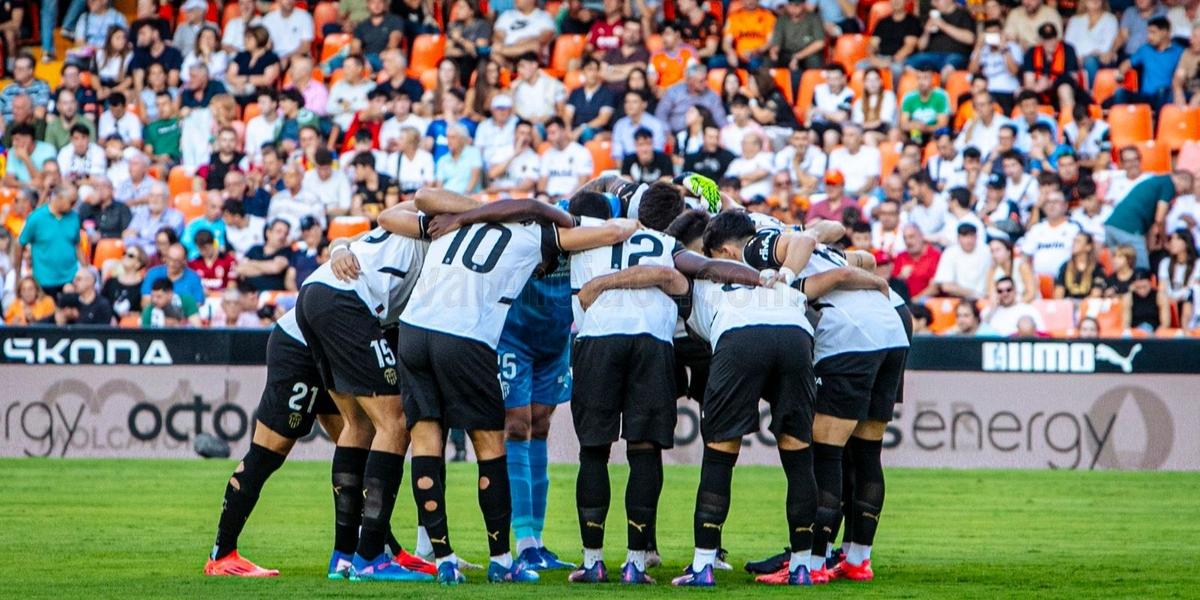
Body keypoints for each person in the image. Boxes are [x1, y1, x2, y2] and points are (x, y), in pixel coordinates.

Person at [394, 189, 644, 584]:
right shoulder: (535, 235)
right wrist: (631, 220)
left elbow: (421, 198)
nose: (544, 271)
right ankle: (502, 560)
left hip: (412, 331)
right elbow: (616, 231)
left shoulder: (452, 225)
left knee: (425, 441)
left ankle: (442, 560)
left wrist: (470, 212)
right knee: (491, 447)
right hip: (466, 335)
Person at [1105, 170, 1193, 270]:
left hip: (1111, 225)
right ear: (1182, 181)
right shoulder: (1168, 185)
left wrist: (1150, 243)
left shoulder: (1156, 181)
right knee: (1141, 268)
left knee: (1120, 268)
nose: (1179, 195)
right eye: (1184, 191)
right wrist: (1164, 241)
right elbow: (1159, 218)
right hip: (1129, 228)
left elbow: (1151, 219)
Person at [15, 185, 82, 298]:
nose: (73, 206)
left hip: (70, 278)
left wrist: (85, 267)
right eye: (71, 202)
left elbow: (77, 244)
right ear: (59, 198)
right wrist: (17, 273)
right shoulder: (37, 217)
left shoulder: (74, 217)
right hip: (44, 281)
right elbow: (20, 243)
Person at [1112, 17, 1182, 110]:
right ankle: (1119, 119)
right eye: (1148, 32)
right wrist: (1120, 74)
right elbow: (1126, 64)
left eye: (1153, 32)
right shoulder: (1145, 49)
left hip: (1166, 96)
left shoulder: (1178, 51)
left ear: (1164, 33)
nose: (1149, 36)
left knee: (1162, 91)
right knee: (1120, 93)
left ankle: (1159, 119)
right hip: (1145, 96)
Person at [907, 0, 976, 75]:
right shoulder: (932, 16)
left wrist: (942, 25)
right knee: (907, 65)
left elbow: (970, 39)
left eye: (936, 1)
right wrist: (926, 32)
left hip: (955, 55)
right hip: (931, 55)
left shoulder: (964, 14)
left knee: (948, 69)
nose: (933, 4)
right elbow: (921, 47)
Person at [655, 63, 727, 133]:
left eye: (706, 79)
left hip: (702, 135)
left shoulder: (713, 97)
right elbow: (660, 114)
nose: (705, 83)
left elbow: (720, 119)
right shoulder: (674, 92)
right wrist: (667, 133)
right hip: (674, 133)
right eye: (701, 81)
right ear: (690, 80)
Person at [929, 223, 992, 300]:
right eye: (964, 236)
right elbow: (946, 286)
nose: (968, 240)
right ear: (958, 238)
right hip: (959, 299)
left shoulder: (987, 251)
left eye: (971, 236)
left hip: (986, 298)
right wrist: (975, 294)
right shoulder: (950, 253)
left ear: (976, 237)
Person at [1066, 0, 1121, 85]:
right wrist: (1076, 58)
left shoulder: (1110, 19)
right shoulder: (1075, 20)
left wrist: (1086, 57)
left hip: (1100, 60)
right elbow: (1068, 43)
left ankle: (1092, 92)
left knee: (1090, 61)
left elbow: (1107, 46)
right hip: (1075, 59)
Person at [540, 117, 594, 200]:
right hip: (549, 199)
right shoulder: (547, 154)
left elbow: (583, 182)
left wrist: (567, 197)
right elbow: (542, 183)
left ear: (563, 131)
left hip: (572, 199)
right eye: (548, 133)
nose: (549, 137)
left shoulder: (581, 152)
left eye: (553, 133)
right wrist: (544, 195)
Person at [566, 57, 616, 141]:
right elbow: (568, 115)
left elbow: (603, 119)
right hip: (575, 129)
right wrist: (567, 129)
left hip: (595, 130)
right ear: (583, 72)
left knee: (586, 133)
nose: (593, 73)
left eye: (596, 70)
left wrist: (582, 128)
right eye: (590, 70)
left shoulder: (607, 93)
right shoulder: (575, 93)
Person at [240, 219, 294, 292]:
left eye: (286, 233)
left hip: (273, 294)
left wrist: (250, 263)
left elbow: (275, 268)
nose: (282, 236)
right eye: (279, 231)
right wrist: (267, 268)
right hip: (248, 293)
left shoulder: (287, 251)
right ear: (268, 232)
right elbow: (240, 269)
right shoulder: (255, 249)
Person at [899, 68, 951, 140]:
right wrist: (915, 126)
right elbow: (903, 124)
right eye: (919, 78)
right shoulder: (909, 97)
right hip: (914, 132)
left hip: (934, 134)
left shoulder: (941, 96)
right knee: (903, 134)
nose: (921, 82)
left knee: (943, 137)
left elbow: (942, 124)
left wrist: (925, 128)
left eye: (925, 78)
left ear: (932, 79)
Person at [891, 224, 941, 298]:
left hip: (927, 301)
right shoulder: (900, 257)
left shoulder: (935, 255)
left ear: (921, 236)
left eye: (911, 237)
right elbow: (892, 286)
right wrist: (901, 277)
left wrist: (914, 300)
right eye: (905, 238)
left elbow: (935, 288)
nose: (908, 241)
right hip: (904, 301)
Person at [722, 0, 775, 69]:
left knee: (754, 63)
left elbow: (770, 41)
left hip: (758, 55)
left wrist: (755, 51)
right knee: (715, 61)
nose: (750, 1)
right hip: (738, 55)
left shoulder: (768, 16)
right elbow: (726, 42)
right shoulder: (733, 17)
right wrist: (730, 52)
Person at [434, 123, 484, 195]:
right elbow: (439, 186)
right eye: (447, 137)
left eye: (453, 137)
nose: (449, 141)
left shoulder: (474, 153)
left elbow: (475, 177)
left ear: (462, 139)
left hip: (468, 197)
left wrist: (465, 195)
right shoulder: (442, 160)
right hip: (447, 198)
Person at [0, 55, 52, 121]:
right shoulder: (8, 89)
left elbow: (39, 113)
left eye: (20, 69)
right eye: (15, 68)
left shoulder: (42, 87)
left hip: (26, 126)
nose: (16, 71)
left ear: (30, 71)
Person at [1054, 231, 1105, 298]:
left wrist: (1082, 304)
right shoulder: (1065, 266)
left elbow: (1096, 293)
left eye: (1078, 241)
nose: (1073, 244)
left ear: (1088, 247)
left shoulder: (1097, 268)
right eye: (1074, 241)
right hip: (1067, 302)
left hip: (1088, 303)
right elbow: (1059, 292)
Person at [260, 0, 313, 65]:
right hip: (274, 58)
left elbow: (305, 47)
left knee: (301, 64)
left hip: (296, 57)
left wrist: (287, 58)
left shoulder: (305, 16)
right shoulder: (268, 19)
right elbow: (265, 45)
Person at [987, 236, 1038, 303]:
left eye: (998, 250)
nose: (994, 254)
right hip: (1003, 306)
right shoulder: (993, 270)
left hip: (1026, 303)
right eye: (992, 251)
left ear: (1008, 251)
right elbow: (991, 295)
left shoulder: (1021, 266)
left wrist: (1015, 305)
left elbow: (1031, 294)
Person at [101, 244, 146, 317]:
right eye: (124, 253)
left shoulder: (144, 285)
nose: (125, 256)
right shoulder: (110, 281)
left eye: (130, 255)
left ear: (138, 264)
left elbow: (144, 311)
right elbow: (102, 304)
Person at [188, 229, 238, 293]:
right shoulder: (193, 264)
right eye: (200, 248)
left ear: (213, 244)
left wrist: (213, 294)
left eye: (205, 248)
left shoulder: (229, 261)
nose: (203, 252)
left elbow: (232, 287)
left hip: (223, 297)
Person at [1157, 228, 1200, 303]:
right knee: (1160, 296)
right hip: (1169, 302)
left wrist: (1176, 298)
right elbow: (1162, 288)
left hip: (1190, 302)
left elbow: (1192, 288)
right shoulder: (1165, 262)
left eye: (1177, 239)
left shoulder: (1197, 264)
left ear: (1186, 243)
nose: (1172, 242)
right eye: (1171, 239)